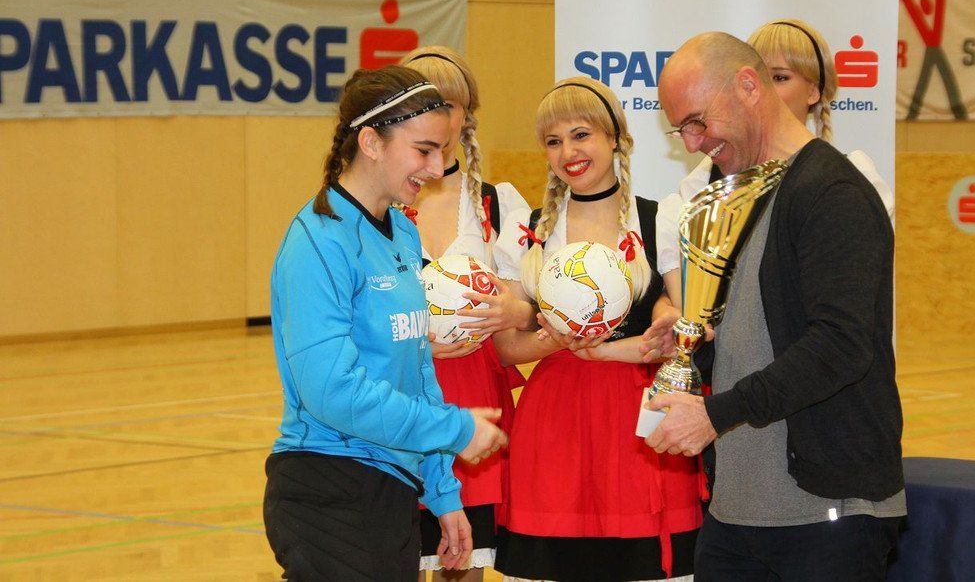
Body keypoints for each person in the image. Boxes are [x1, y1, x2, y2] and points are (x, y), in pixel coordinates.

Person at [648, 32, 905, 581]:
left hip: (828, 513)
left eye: (697, 121)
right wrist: (700, 345)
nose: (692, 143)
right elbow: (763, 333)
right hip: (737, 510)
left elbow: (841, 346)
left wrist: (715, 414)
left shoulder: (833, 192)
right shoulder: (737, 194)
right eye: (680, 129)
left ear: (748, 86)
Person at [262, 65, 508, 581]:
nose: (437, 168)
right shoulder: (317, 242)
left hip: (393, 485)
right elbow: (331, 391)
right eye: (424, 150)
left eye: (442, 150)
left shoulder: (400, 230)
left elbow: (418, 372)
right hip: (328, 488)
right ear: (371, 142)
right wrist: (456, 429)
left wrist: (443, 492)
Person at [491, 77, 702, 582]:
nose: (569, 152)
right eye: (554, 140)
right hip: (554, 420)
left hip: (640, 420)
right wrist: (555, 339)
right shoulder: (528, 231)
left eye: (581, 134)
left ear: (616, 137)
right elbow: (505, 351)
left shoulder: (660, 218)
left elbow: (683, 327)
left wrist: (628, 341)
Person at [399, 47, 533, 581]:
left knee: (462, 566)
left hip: (473, 396)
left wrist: (514, 309)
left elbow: (530, 314)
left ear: (466, 116)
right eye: (419, 106)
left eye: (447, 105)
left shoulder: (499, 204)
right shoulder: (375, 205)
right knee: (394, 557)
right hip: (395, 395)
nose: (435, 119)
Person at [656, 19, 894, 302]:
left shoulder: (843, 186)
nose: (765, 90)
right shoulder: (705, 183)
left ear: (813, 90)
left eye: (780, 78)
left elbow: (847, 310)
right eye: (763, 75)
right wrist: (667, 306)